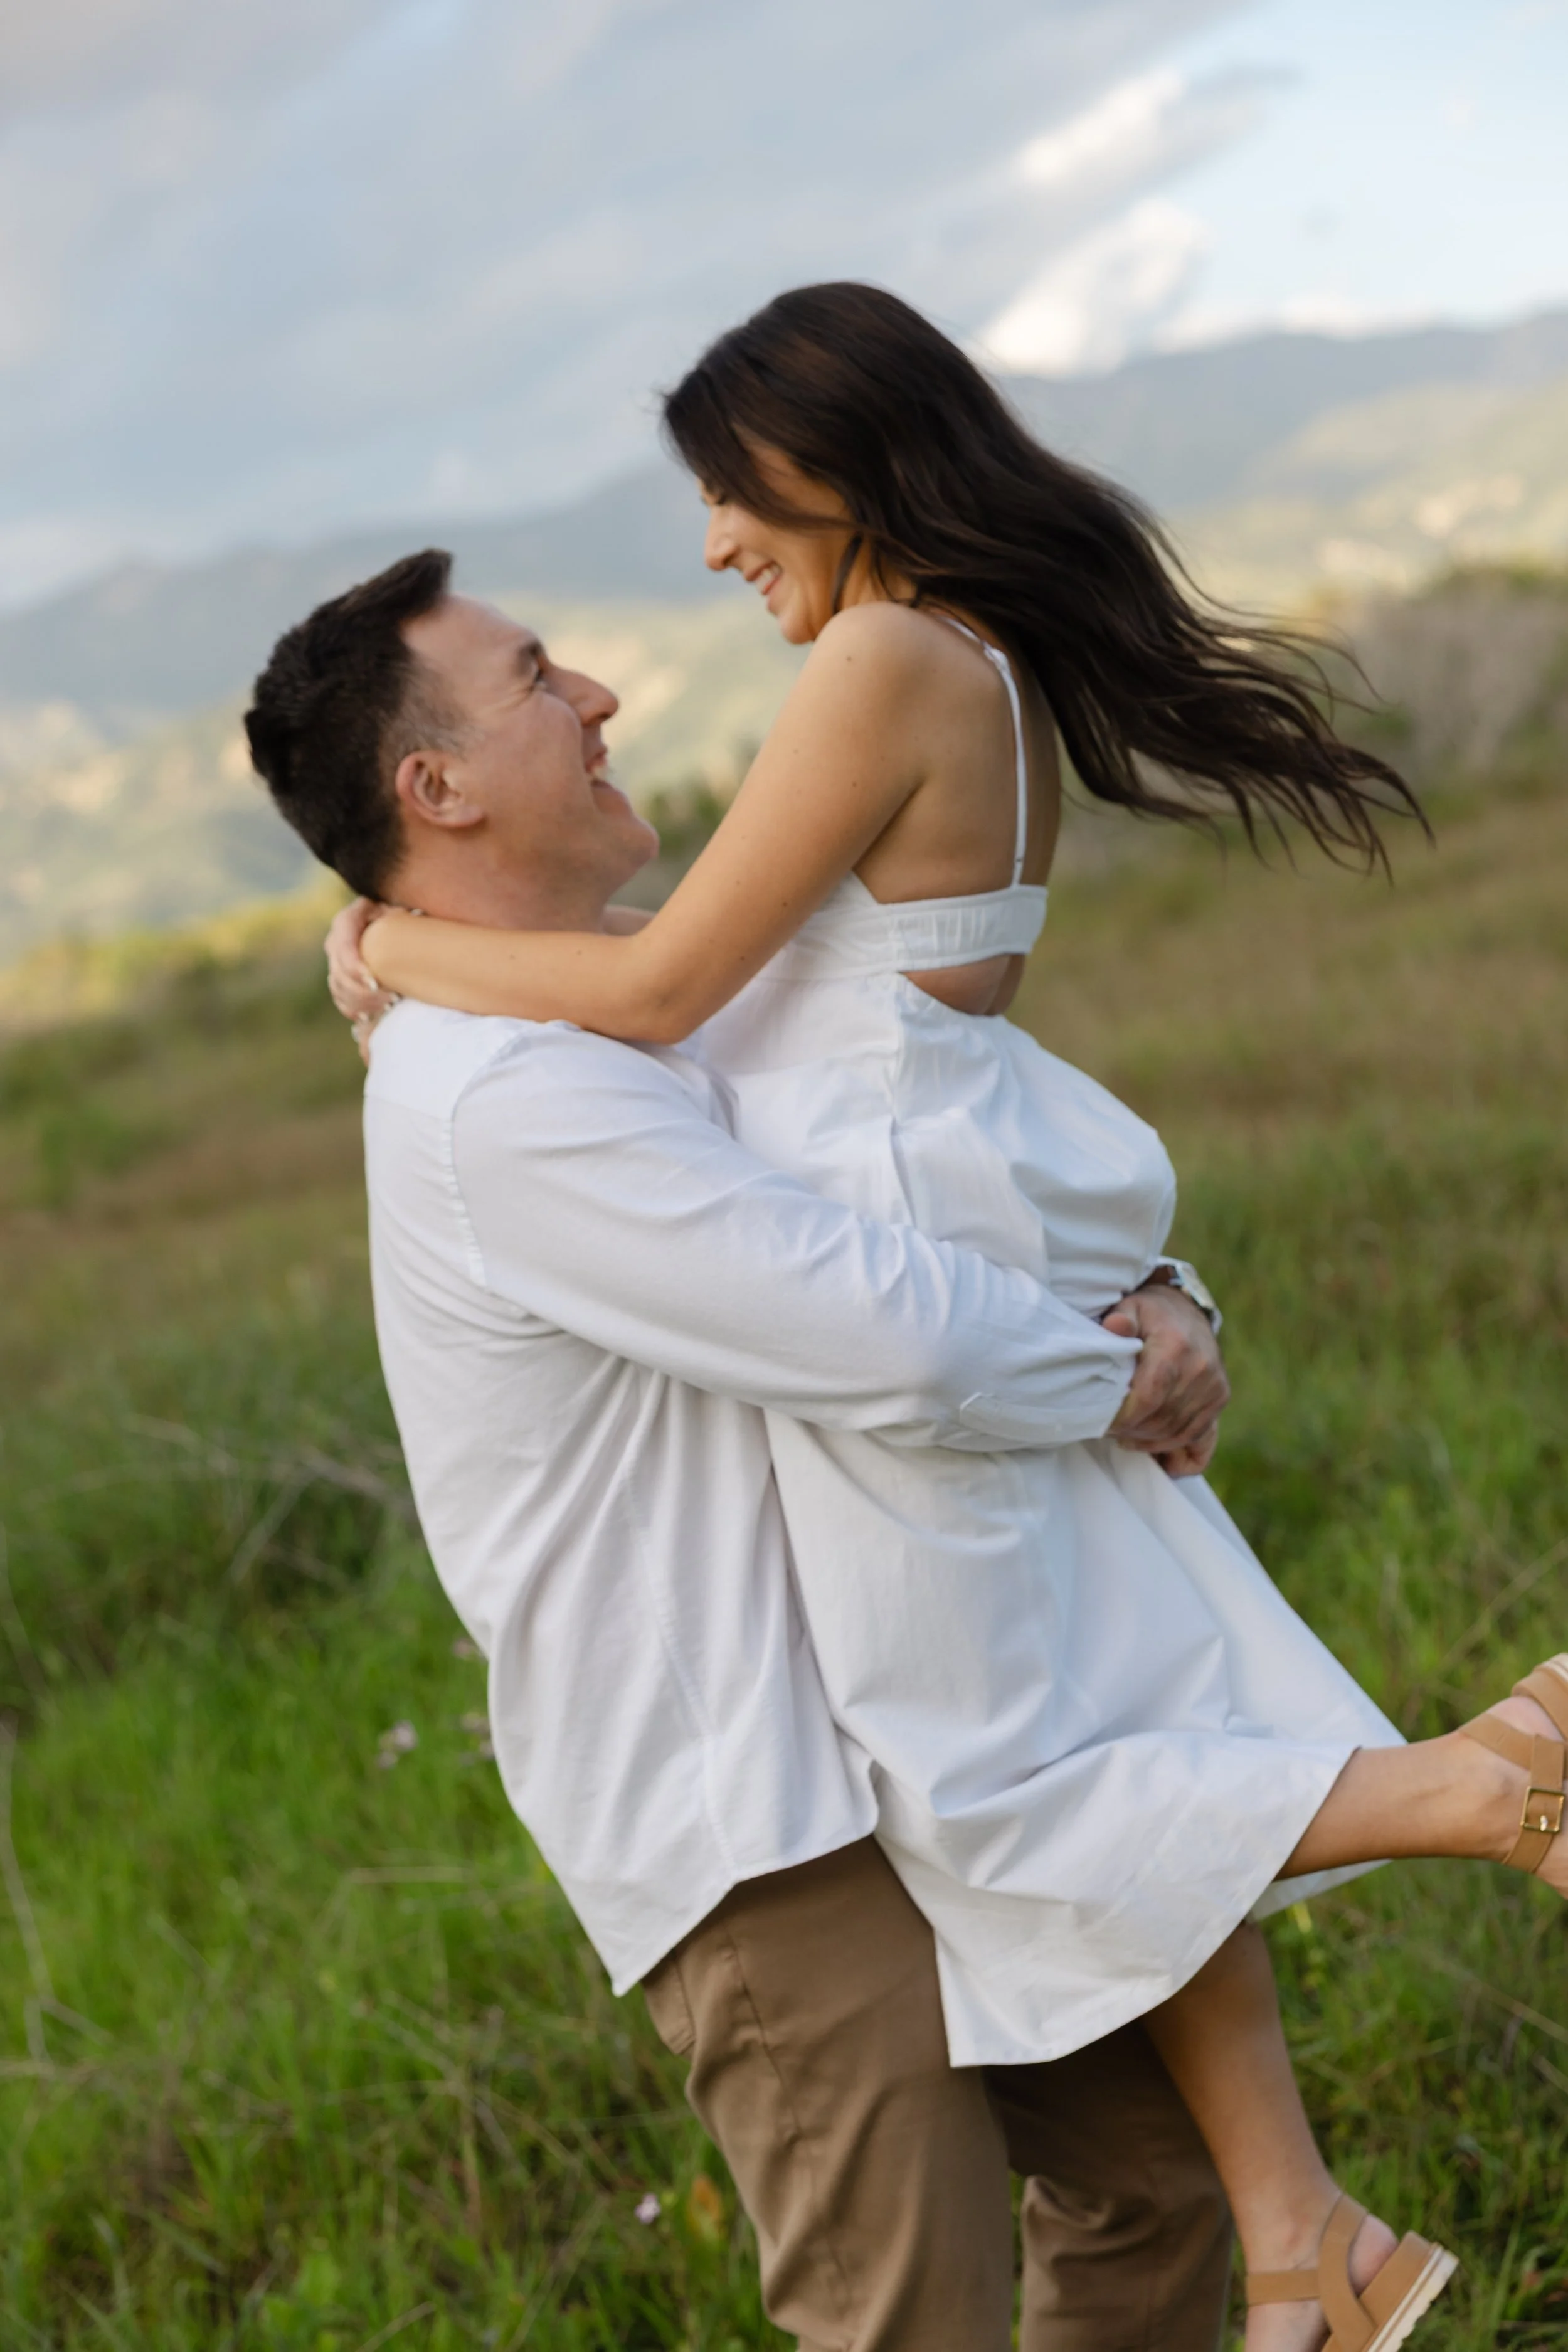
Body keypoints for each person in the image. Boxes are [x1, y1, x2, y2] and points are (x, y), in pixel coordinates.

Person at [324, 286, 1568, 2352]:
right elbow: (701, 967)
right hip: (951, 1222)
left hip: (913, 1278)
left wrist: (383, 937)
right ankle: (1298, 2242)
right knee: (1123, 1730)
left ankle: (1483, 1775)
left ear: (829, 457)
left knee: (1013, 1784)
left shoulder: (887, 660)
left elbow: (659, 992)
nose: (716, 544)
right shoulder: (956, 663)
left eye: (730, 489)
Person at [246, 552, 1245, 2352]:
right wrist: (1121, 1382)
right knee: (904, 2313)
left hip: (921, 1735)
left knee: (1155, 2184)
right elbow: (881, 1320)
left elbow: (935, 1159)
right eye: (540, 676)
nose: (602, 696)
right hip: (760, 1819)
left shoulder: (628, 1004)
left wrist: (1156, 1292)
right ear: (437, 785)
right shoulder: (498, 1095)